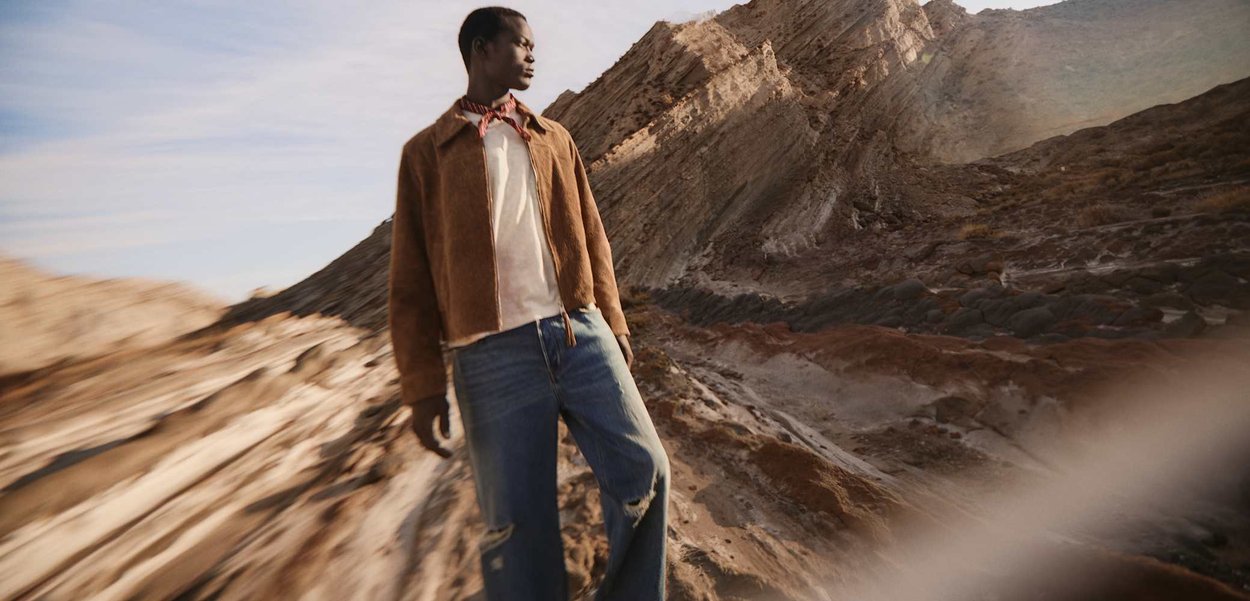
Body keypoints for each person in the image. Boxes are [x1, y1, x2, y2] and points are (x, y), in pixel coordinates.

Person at [386, 6, 671, 600]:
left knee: (645, 471)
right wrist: (422, 385)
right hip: (490, 359)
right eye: (522, 44)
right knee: (517, 528)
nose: (533, 55)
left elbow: (592, 236)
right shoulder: (426, 154)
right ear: (482, 49)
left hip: (578, 333)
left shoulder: (553, 138)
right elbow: (409, 282)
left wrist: (613, 322)